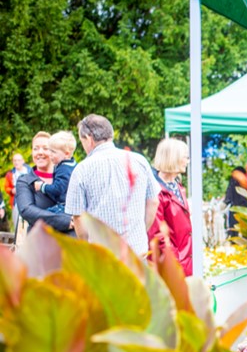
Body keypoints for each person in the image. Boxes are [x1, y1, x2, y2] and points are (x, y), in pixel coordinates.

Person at [65, 114, 160, 256]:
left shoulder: (81, 170)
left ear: (89, 139)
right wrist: (139, 232)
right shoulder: (139, 160)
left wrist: (86, 244)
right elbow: (153, 202)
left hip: (102, 257)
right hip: (136, 254)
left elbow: (77, 217)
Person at [14, 132, 74, 237]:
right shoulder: (25, 181)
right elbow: (27, 210)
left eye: (45, 148)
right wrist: (64, 221)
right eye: (35, 148)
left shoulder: (69, 175)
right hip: (40, 242)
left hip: (68, 242)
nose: (40, 152)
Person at [147, 138, 192, 275]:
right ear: (174, 158)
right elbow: (157, 234)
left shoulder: (177, 185)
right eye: (186, 157)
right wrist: (175, 264)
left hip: (185, 261)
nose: (188, 161)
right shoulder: (156, 191)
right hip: (171, 266)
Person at [34, 131, 77, 214]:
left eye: (53, 152)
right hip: (68, 205)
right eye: (49, 150)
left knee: (44, 216)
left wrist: (42, 186)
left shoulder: (64, 169)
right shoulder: (73, 164)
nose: (50, 154)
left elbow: (58, 189)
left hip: (64, 206)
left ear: (66, 154)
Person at [224, 166, 247, 237]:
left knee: (234, 234)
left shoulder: (232, 182)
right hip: (246, 210)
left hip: (234, 210)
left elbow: (228, 198)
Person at [4, 152, 31, 224]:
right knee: (16, 223)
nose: (16, 162)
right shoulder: (10, 174)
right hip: (16, 201)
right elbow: (6, 187)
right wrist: (12, 190)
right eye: (15, 160)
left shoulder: (30, 171)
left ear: (23, 161)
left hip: (30, 201)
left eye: (18, 160)